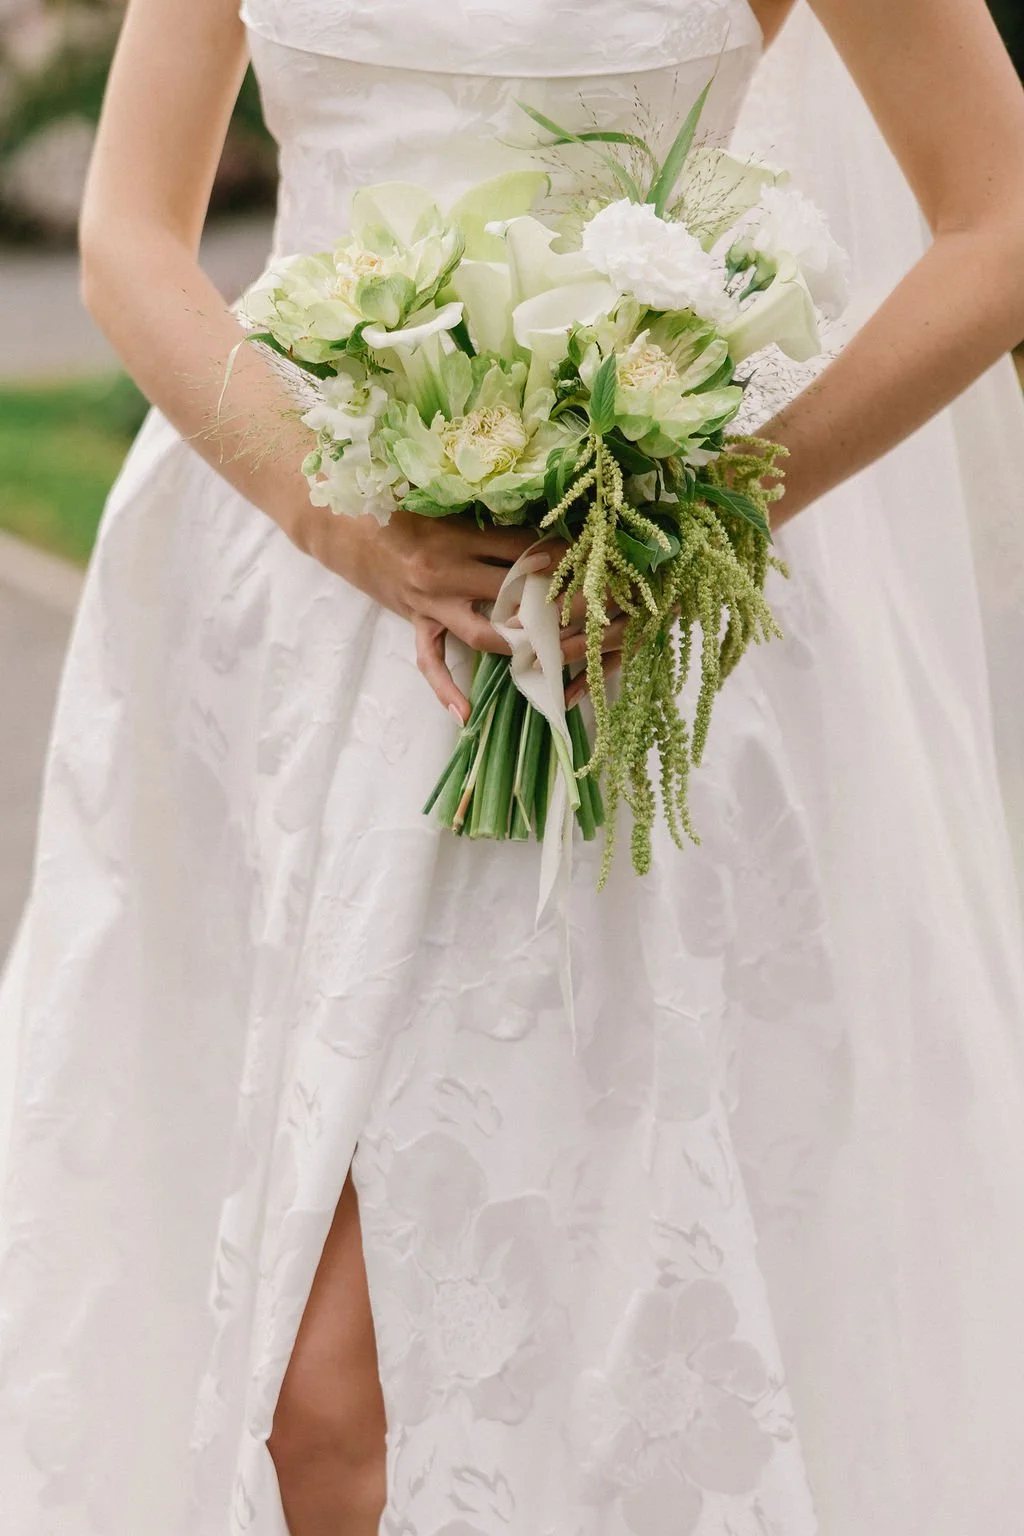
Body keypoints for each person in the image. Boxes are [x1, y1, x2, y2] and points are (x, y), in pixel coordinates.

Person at [2, 0, 1024, 1532]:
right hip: (278, 626)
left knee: (572, 1334)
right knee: (285, 1366)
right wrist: (342, 521)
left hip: (640, 650)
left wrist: (694, 520)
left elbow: (997, 219)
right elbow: (130, 236)